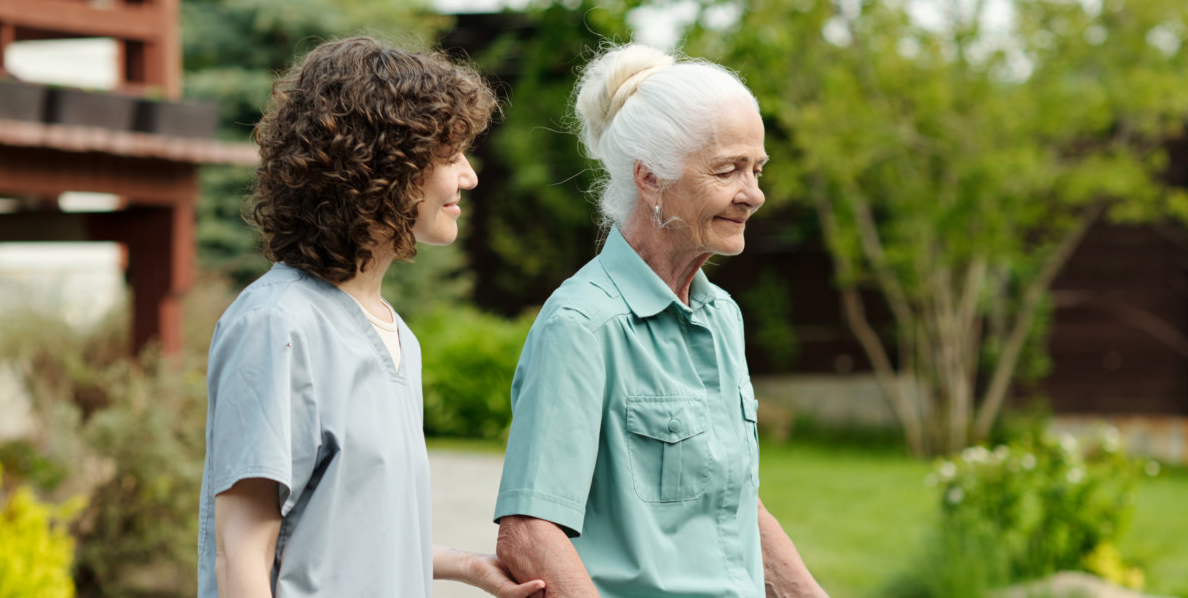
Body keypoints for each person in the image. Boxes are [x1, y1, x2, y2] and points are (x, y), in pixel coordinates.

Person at [198, 37, 545, 598]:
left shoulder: (395, 332)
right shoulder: (276, 325)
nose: (469, 177)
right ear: (386, 163)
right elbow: (240, 553)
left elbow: (343, 534)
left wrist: (466, 567)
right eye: (451, 156)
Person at [492, 43, 828, 598]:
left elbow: (733, 506)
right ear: (650, 178)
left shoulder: (721, 317)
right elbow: (529, 532)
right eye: (728, 170)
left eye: (757, 168)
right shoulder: (582, 324)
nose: (755, 194)